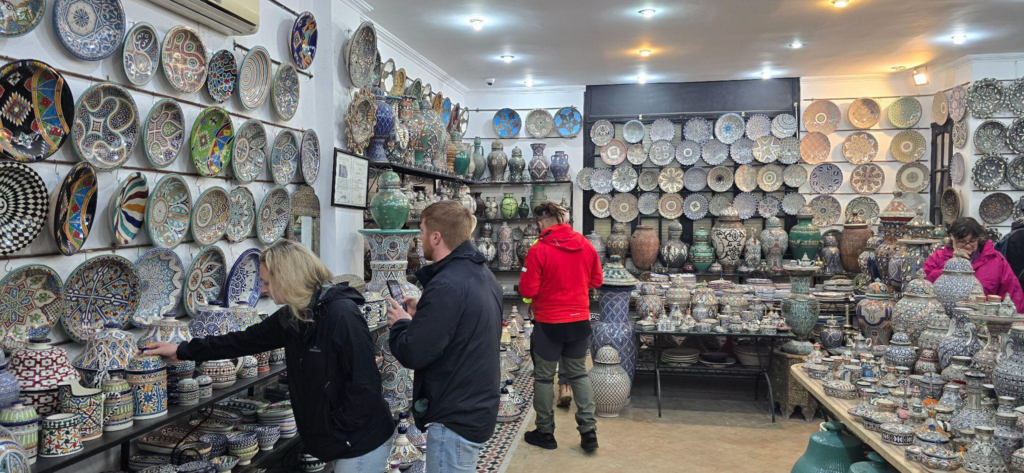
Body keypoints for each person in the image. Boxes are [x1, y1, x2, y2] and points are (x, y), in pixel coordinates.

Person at [144, 240, 394, 471]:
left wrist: (338, 430)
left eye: (266, 282)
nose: (263, 290)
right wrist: (181, 350)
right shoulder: (296, 315)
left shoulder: (342, 314)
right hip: (341, 441)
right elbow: (242, 340)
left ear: (287, 278)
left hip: (361, 440)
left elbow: (366, 385)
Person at [385, 200, 502, 472]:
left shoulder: (447, 284)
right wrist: (422, 316)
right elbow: (459, 332)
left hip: (455, 416)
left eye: (423, 232)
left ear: (436, 237)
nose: (420, 238)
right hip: (474, 406)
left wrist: (402, 324)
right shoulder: (482, 274)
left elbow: (413, 353)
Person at [518, 202, 602, 452]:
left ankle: (545, 433)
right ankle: (589, 432)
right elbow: (596, 279)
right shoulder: (586, 245)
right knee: (578, 374)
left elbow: (527, 290)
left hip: (549, 323)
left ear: (541, 222)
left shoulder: (538, 250)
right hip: (578, 321)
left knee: (544, 378)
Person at [922, 217, 1024, 312]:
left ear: (978, 239)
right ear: (952, 239)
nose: (968, 246)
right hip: (942, 318)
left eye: (972, 241)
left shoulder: (995, 259)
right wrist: (951, 264)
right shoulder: (938, 257)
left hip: (984, 320)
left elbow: (1012, 294)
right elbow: (925, 287)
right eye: (961, 242)